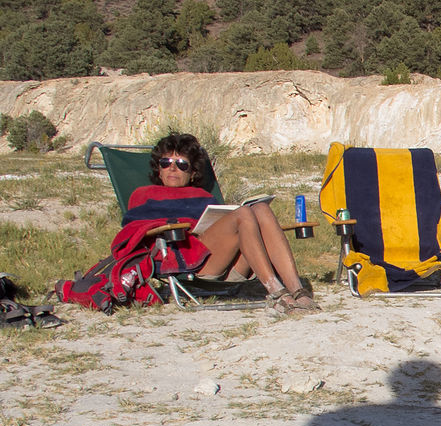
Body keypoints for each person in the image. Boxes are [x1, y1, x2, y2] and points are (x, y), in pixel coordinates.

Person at [125, 132, 316, 314]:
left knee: (261, 209)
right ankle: (276, 292)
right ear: (158, 170)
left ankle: (297, 291)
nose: (173, 168)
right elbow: (134, 230)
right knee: (243, 213)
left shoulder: (204, 197)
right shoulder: (143, 195)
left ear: (192, 172)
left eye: (182, 164)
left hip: (227, 262)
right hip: (191, 262)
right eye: (166, 163)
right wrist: (180, 226)